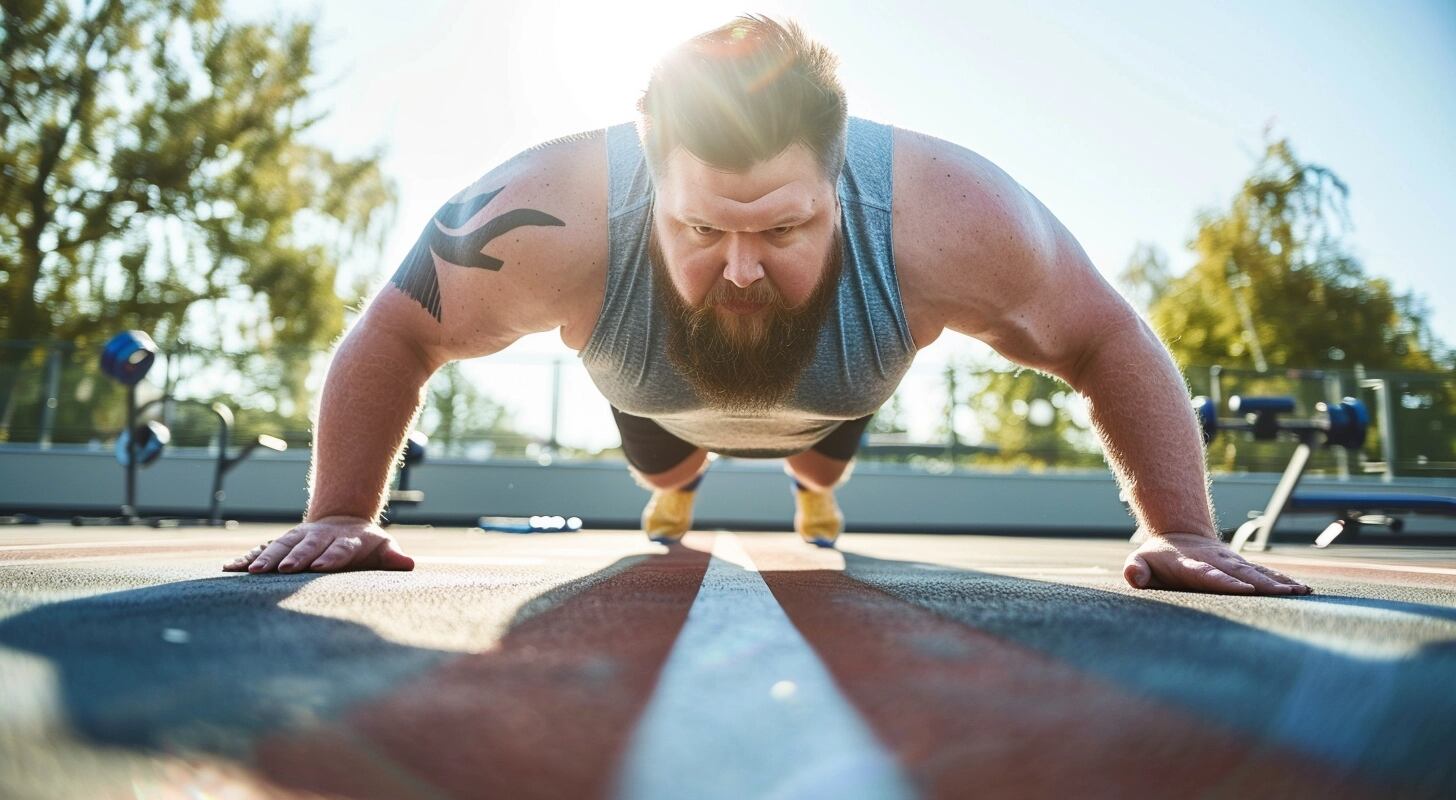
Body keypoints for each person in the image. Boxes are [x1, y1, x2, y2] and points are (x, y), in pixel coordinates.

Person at [226, 16, 1310, 596]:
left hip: (836, 394)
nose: (741, 268)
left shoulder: (951, 210)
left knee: (820, 459)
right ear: (650, 177)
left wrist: (1179, 529)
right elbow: (398, 327)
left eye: (783, 229)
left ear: (841, 177)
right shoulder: (544, 206)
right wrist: (339, 513)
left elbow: (1101, 337)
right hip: (654, 399)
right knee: (666, 468)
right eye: (702, 230)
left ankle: (810, 490)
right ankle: (680, 490)